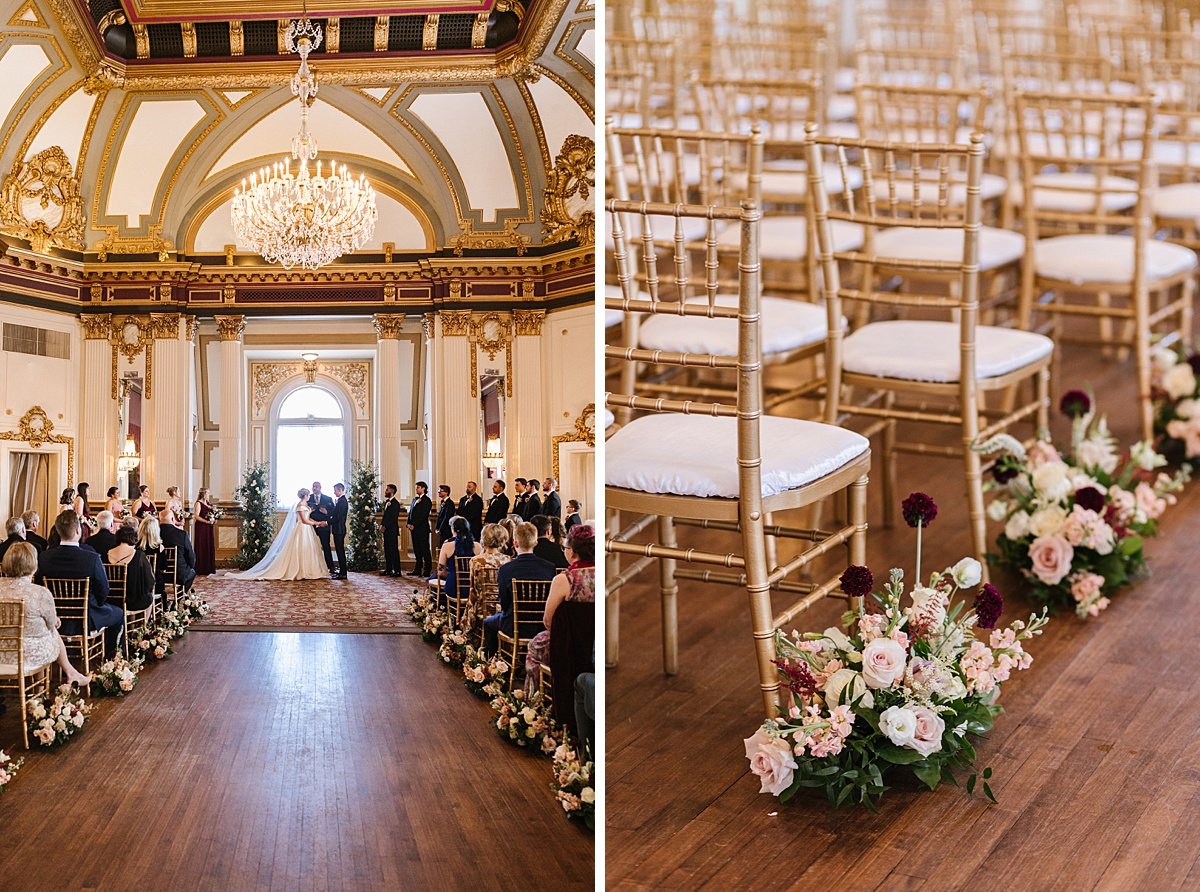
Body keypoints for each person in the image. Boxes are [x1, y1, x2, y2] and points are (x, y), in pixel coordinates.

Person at [0, 543, 92, 687]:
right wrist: (55, 620)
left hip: (2, 651)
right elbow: (51, 624)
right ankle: (52, 685)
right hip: (29, 655)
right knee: (51, 631)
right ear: (34, 565)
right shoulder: (39, 593)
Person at [35, 511, 123, 656]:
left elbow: (40, 588)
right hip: (87, 616)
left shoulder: (44, 557)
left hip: (55, 617)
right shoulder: (91, 558)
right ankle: (111, 657)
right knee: (119, 614)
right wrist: (97, 603)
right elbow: (104, 590)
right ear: (78, 531)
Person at [524, 524, 595, 694]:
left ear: (572, 552)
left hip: (568, 647)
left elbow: (548, 621)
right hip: (595, 644)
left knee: (534, 647)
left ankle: (535, 701)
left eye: (565, 547)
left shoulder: (564, 580)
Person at [483, 522, 556, 657]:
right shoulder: (549, 567)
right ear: (535, 543)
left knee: (488, 622)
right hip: (541, 625)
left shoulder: (506, 569)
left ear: (515, 543)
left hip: (513, 625)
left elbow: (504, 603)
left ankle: (492, 662)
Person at [232, 488, 329, 581]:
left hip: (308, 529)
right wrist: (318, 524)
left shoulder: (306, 504)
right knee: (299, 548)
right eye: (308, 495)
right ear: (305, 496)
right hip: (302, 529)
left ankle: (308, 569)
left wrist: (318, 522)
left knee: (308, 548)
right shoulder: (300, 505)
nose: (309, 497)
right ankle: (300, 570)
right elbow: (304, 520)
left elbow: (308, 518)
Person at [464, 523, 511, 631]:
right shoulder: (508, 560)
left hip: (482, 606)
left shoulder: (476, 561)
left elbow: (473, 590)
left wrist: (468, 608)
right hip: (503, 607)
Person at [105, 525, 156, 612]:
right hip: (133, 600)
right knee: (149, 597)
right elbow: (150, 580)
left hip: (111, 600)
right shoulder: (139, 555)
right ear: (134, 537)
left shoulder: (107, 553)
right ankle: (144, 624)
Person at [437, 516, 480, 610]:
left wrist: (452, 574)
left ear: (453, 529)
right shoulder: (478, 546)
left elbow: (440, 572)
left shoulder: (447, 546)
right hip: (473, 589)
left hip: (454, 587)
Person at [159, 510, 197, 592]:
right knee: (192, 572)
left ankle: (162, 598)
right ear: (173, 519)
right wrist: (191, 566)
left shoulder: (154, 534)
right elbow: (191, 557)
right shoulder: (181, 535)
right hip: (178, 574)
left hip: (158, 575)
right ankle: (180, 597)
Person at [308, 481, 335, 573]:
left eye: (316, 486)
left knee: (326, 546)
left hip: (324, 525)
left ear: (320, 487)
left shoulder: (328, 498)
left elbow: (334, 512)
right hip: (311, 525)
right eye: (313, 486)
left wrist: (326, 512)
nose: (314, 488)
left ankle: (330, 566)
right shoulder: (308, 498)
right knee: (310, 546)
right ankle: (312, 566)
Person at [407, 481, 433, 578]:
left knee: (424, 549)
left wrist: (414, 525)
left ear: (423, 488)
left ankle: (427, 570)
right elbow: (411, 513)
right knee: (416, 549)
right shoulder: (414, 500)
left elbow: (423, 515)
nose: (416, 489)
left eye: (418, 487)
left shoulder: (427, 500)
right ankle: (417, 568)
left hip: (422, 529)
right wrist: (408, 523)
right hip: (414, 529)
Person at [138, 516, 167, 596]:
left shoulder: (136, 547)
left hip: (138, 584)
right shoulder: (159, 547)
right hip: (155, 583)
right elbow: (163, 567)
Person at [192, 488, 216, 576]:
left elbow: (212, 514)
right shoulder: (198, 503)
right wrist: (206, 521)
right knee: (202, 545)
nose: (208, 495)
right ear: (203, 494)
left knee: (208, 545)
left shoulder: (209, 503)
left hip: (208, 527)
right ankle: (201, 568)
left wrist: (214, 519)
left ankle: (208, 568)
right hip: (201, 527)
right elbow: (196, 516)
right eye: (207, 493)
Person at [380, 484, 402, 577]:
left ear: (392, 491)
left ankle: (397, 570)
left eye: (387, 489)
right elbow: (385, 516)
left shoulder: (395, 503)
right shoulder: (387, 502)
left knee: (393, 550)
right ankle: (388, 569)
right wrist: (382, 524)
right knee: (387, 550)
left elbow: (393, 518)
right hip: (386, 530)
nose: (385, 491)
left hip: (392, 530)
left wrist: (385, 526)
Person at [330, 483, 349, 580]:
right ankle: (341, 572)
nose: (334, 492)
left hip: (339, 529)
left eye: (335, 490)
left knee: (340, 551)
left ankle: (343, 573)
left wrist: (326, 522)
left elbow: (337, 517)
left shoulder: (342, 501)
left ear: (340, 490)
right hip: (338, 529)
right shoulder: (340, 501)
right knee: (339, 550)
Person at [435, 484, 455, 549]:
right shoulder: (442, 502)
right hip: (442, 529)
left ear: (446, 492)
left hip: (446, 529)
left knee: (446, 546)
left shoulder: (450, 503)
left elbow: (447, 517)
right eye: (438, 490)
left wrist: (440, 529)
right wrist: (437, 528)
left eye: (440, 490)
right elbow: (440, 516)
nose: (438, 492)